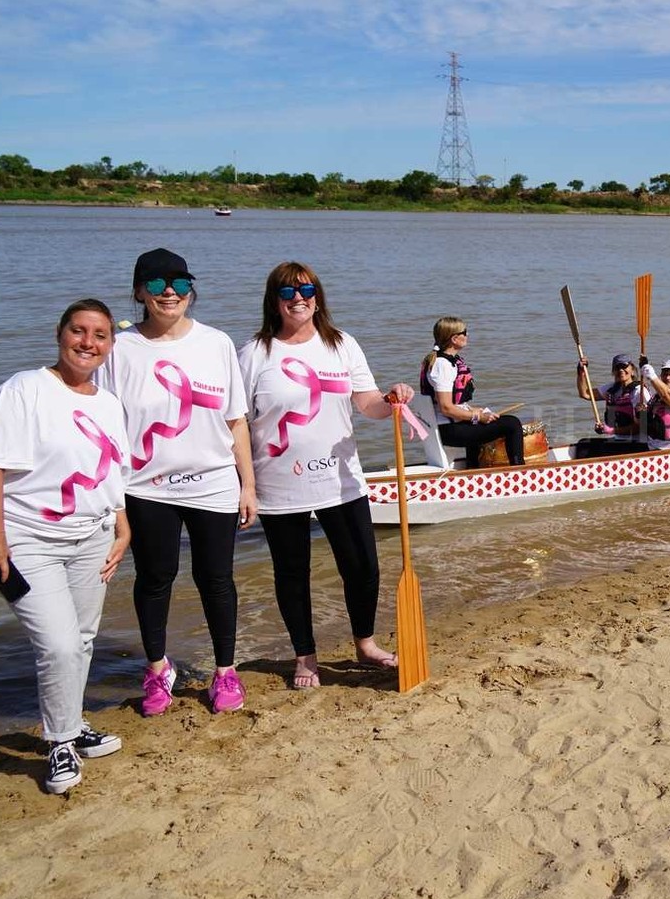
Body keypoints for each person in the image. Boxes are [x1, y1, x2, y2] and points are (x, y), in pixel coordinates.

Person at [0, 299, 132, 794]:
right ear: (60, 334)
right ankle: (60, 741)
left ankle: (72, 724)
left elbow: (114, 471)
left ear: (110, 345)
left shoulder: (108, 403)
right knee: (58, 645)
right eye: (78, 331)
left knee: (81, 638)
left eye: (100, 335)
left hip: (93, 537)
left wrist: (123, 526)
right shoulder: (24, 389)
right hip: (28, 541)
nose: (88, 343)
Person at [238, 262, 413, 689]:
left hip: (341, 479)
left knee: (363, 567)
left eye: (306, 290)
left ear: (318, 297)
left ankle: (365, 644)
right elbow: (237, 421)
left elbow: (367, 402)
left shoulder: (341, 344)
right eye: (287, 292)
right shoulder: (255, 353)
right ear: (274, 301)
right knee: (292, 573)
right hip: (279, 482)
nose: (298, 298)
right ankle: (305, 656)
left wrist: (391, 399)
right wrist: (244, 485)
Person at [98, 248, 256, 716]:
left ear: (191, 291)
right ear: (139, 292)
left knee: (216, 578)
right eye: (157, 283)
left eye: (181, 283)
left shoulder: (217, 343)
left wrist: (248, 485)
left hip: (214, 483)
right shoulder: (120, 349)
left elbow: (236, 420)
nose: (170, 292)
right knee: (154, 578)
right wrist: (110, 500)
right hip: (145, 488)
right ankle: (157, 669)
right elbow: (105, 428)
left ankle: (225, 672)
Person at [419, 316, 526, 466]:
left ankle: (473, 468)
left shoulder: (442, 361)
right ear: (454, 339)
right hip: (449, 430)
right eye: (464, 332)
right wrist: (477, 417)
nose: (467, 335)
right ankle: (518, 470)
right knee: (512, 424)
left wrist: (474, 411)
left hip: (449, 426)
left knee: (479, 423)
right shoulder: (443, 365)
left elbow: (451, 404)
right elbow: (446, 408)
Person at [573, 352, 648, 458]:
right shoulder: (612, 389)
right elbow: (585, 394)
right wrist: (581, 372)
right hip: (619, 440)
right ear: (613, 371)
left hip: (639, 443)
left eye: (624, 366)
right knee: (583, 444)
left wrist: (610, 430)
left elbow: (641, 427)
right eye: (617, 367)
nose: (621, 370)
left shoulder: (639, 392)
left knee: (587, 451)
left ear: (632, 370)